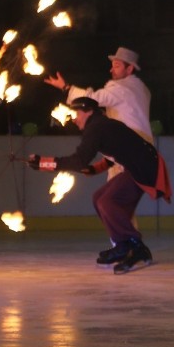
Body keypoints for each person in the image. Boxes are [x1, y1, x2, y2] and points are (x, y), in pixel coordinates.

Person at [26, 97, 172, 275]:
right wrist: (95, 169)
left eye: (76, 113)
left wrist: (44, 163)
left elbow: (79, 160)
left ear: (88, 111)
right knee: (98, 198)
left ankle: (134, 246)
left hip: (144, 167)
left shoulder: (96, 127)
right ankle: (123, 245)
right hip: (139, 165)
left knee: (108, 201)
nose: (74, 118)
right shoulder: (100, 125)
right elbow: (116, 152)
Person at [45, 46, 152, 235]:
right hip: (136, 153)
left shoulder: (121, 88)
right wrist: (99, 166)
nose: (111, 69)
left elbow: (92, 100)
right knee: (113, 202)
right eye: (112, 65)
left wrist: (66, 88)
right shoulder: (140, 89)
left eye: (117, 66)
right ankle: (127, 246)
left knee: (110, 202)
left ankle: (129, 247)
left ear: (130, 69)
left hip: (130, 156)